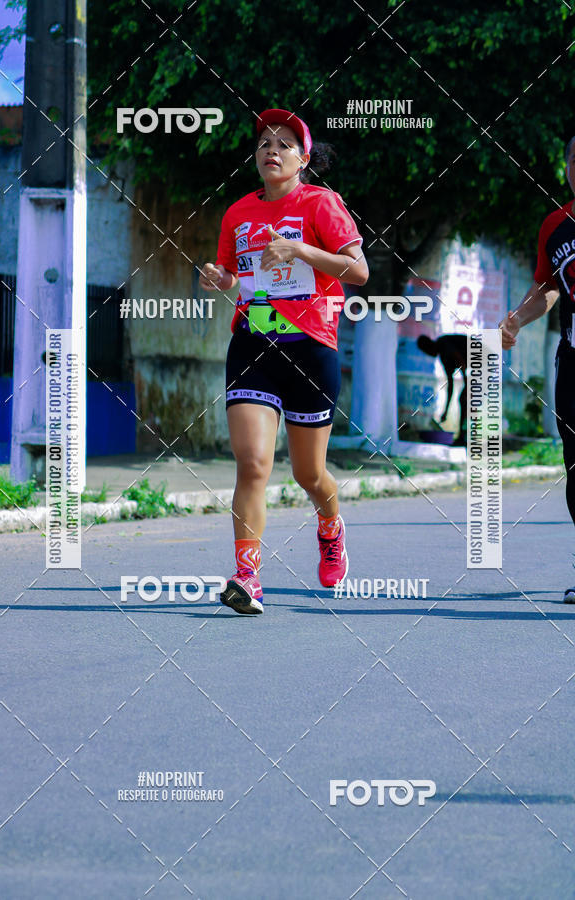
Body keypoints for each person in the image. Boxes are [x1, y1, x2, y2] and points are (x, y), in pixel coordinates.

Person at [199, 108, 368, 615]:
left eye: (284, 144)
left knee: (308, 474)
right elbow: (235, 276)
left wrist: (298, 250)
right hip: (253, 344)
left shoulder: (321, 203)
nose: (271, 150)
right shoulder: (237, 214)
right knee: (253, 464)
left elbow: (357, 270)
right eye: (263, 144)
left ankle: (330, 526)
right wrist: (218, 279)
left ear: (303, 158)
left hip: (310, 349)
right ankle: (247, 578)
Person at [499, 135, 574, 602]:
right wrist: (517, 319)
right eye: (574, 160)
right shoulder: (556, 225)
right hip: (574, 363)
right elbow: (546, 287)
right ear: (566, 166)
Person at [416, 334, 468, 445]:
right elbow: (451, 385)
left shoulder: (443, 344)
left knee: (465, 399)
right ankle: (463, 436)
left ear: (429, 345)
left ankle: (464, 436)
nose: (428, 354)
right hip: (474, 367)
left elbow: (461, 362)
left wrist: (467, 384)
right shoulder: (444, 358)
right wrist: (446, 411)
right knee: (464, 399)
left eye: (426, 351)